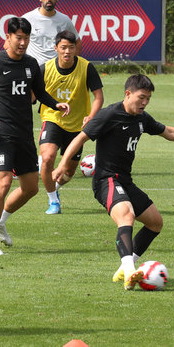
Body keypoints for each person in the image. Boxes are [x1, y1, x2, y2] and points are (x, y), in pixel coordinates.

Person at [52, 74, 174, 290]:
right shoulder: (109, 115)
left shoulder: (142, 119)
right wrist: (62, 165)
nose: (145, 102)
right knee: (127, 215)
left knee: (155, 223)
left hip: (125, 181)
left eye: (148, 99)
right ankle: (130, 269)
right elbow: (81, 137)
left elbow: (168, 132)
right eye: (141, 97)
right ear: (128, 94)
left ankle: (126, 266)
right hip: (106, 180)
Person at [0, 17, 70, 256]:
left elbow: (39, 92)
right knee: (3, 184)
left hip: (25, 133)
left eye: (27, 38)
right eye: (19, 38)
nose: (23, 43)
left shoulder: (31, 64)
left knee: (30, 188)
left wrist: (55, 104)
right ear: (8, 37)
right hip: (1, 133)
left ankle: (2, 220)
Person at [38, 30, 104, 214]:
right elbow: (33, 95)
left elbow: (98, 96)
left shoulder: (86, 67)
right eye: (63, 47)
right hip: (52, 119)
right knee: (48, 157)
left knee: (68, 172)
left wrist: (91, 116)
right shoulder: (45, 69)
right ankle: (53, 202)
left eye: (71, 47)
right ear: (56, 48)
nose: (67, 51)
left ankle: (55, 189)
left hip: (77, 126)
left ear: (76, 48)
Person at [5, 0, 81, 66]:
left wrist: (71, 64)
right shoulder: (28, 18)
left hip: (56, 72)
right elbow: (9, 43)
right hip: (33, 69)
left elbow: (77, 42)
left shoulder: (64, 20)